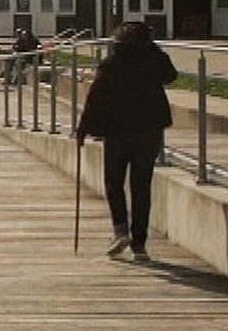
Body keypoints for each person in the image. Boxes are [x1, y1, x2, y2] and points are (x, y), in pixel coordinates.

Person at [74, 21, 179, 262]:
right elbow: (170, 76)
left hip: (117, 130)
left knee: (113, 180)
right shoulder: (153, 59)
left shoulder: (111, 63)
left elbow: (95, 97)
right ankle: (139, 243)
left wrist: (83, 129)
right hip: (148, 130)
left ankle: (120, 229)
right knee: (141, 186)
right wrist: (154, 50)